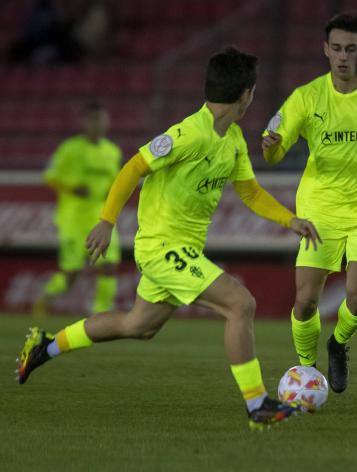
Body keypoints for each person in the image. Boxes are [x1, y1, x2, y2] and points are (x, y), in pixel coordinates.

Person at [17, 47, 320, 430]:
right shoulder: (188, 133)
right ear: (246, 94)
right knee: (240, 304)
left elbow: (251, 192)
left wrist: (289, 219)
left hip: (183, 249)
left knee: (136, 326)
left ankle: (45, 346)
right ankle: (257, 405)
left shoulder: (234, 140)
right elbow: (133, 167)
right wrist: (106, 221)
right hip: (162, 248)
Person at [261, 11, 357, 393]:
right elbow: (275, 147)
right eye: (336, 48)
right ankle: (306, 370)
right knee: (305, 301)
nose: (343, 56)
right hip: (320, 208)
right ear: (325, 49)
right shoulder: (306, 97)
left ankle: (338, 343)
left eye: (351, 49)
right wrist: (270, 147)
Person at [35, 102, 121, 315]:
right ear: (84, 122)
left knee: (109, 265)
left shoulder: (112, 151)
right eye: (92, 119)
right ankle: (46, 296)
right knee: (71, 273)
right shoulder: (69, 148)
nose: (97, 124)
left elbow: (115, 182)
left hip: (102, 218)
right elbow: (49, 175)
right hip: (73, 219)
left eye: (101, 119)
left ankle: (101, 312)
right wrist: (72, 188)